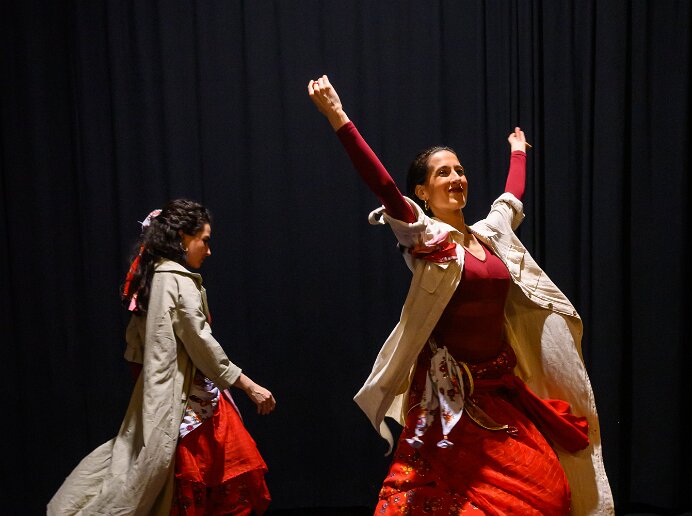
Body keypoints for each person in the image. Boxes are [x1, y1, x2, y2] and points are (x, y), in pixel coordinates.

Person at [308, 75, 614, 515]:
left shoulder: (491, 236)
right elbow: (385, 189)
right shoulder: (427, 239)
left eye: (460, 170)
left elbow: (511, 197)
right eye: (442, 173)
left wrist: (517, 151)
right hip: (452, 400)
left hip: (501, 392)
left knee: (549, 492)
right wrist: (338, 116)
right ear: (422, 192)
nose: (456, 178)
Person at [48, 199, 275, 515]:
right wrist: (249, 385)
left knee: (144, 475)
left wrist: (150, 393)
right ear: (183, 236)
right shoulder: (177, 280)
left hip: (163, 402)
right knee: (218, 488)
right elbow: (202, 345)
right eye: (205, 241)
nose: (208, 251)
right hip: (193, 407)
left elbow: (134, 348)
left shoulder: (150, 276)